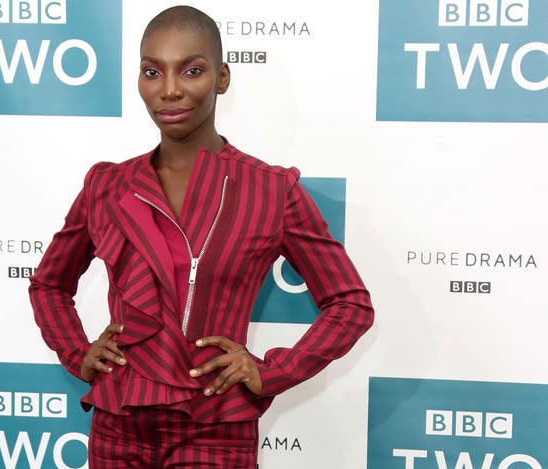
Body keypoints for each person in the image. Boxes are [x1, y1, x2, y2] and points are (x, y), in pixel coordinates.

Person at [29, 5, 374, 468]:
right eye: (152, 72)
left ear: (222, 78)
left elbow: (350, 304)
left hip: (217, 425)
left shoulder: (270, 190)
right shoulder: (107, 186)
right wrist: (77, 352)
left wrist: (271, 370)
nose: (169, 90)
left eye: (191, 70)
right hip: (118, 425)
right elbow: (49, 284)